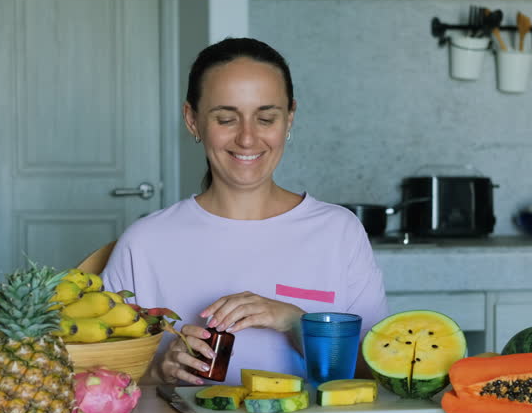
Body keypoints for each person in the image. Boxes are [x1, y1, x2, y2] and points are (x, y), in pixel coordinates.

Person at [101, 37, 388, 385]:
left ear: (290, 118)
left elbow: (375, 372)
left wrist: (296, 322)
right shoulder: (144, 243)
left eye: (266, 118)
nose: (248, 139)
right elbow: (100, 378)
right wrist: (159, 370)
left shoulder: (338, 231)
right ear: (192, 119)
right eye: (226, 119)